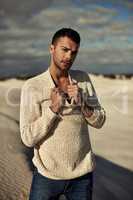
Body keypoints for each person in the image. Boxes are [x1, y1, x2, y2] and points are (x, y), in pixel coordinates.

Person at [20, 28, 106, 200]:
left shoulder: (83, 79)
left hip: (81, 176)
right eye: (64, 50)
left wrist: (83, 103)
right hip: (46, 177)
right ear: (52, 48)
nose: (69, 57)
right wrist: (53, 110)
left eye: (74, 52)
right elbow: (27, 138)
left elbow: (100, 120)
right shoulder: (32, 86)